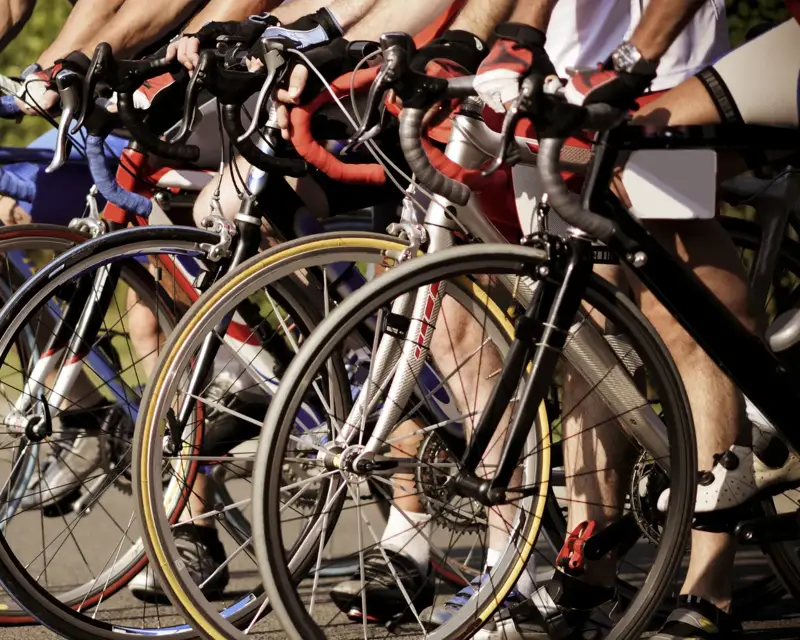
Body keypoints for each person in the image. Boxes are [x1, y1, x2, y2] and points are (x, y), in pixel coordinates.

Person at [437, 0, 799, 638]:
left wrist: (628, 56)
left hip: (657, 74)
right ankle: (589, 565)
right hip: (568, 82)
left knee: (690, 325)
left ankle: (709, 587)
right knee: (588, 334)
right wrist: (491, 41)